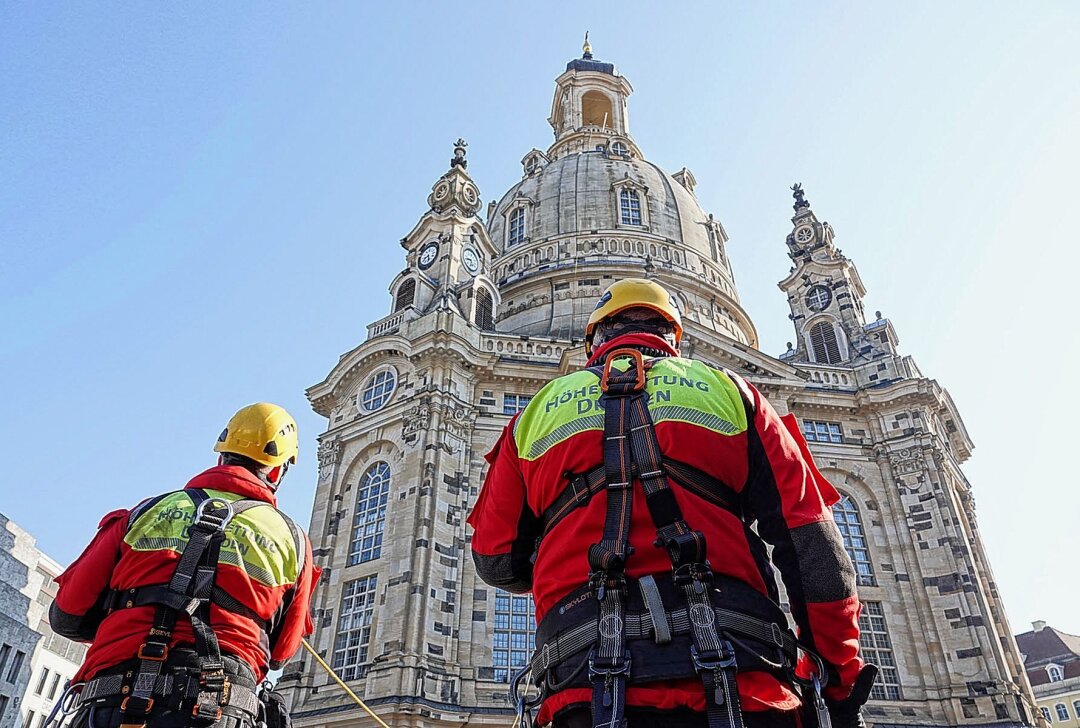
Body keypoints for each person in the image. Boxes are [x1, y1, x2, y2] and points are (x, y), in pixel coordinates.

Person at [469, 279, 877, 728]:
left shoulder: (533, 416)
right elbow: (816, 554)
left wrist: (560, 544)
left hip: (585, 688)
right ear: (674, 338)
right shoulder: (734, 394)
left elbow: (495, 560)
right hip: (744, 682)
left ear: (596, 340)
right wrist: (839, 685)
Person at [51, 403, 320, 728]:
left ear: (221, 455)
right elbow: (280, 654)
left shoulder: (145, 512)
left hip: (111, 702)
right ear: (277, 471)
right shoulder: (292, 540)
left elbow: (67, 615)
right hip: (219, 709)